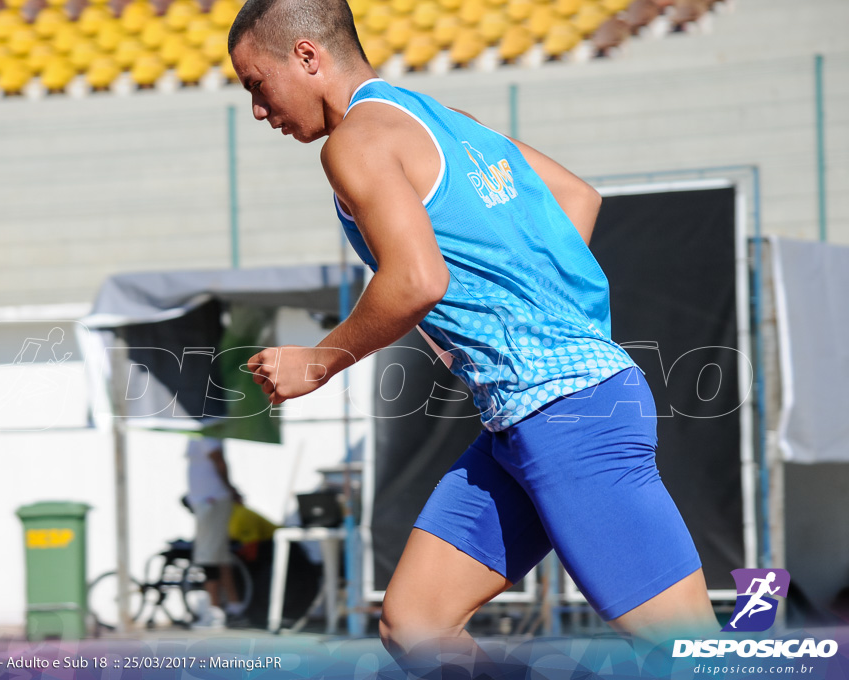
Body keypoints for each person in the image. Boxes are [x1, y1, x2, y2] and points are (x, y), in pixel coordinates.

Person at [227, 0, 718, 664]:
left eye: (257, 84)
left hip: (566, 413)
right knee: (415, 624)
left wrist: (318, 362)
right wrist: (523, 315)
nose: (258, 109)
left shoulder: (356, 143)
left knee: (688, 654)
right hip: (529, 418)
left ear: (307, 56)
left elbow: (415, 280)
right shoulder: (447, 122)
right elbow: (577, 197)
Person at [185, 436, 246, 626]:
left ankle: (214, 612)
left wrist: (230, 489)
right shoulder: (200, 428)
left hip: (211, 501)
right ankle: (234, 607)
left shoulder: (207, 428)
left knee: (208, 558)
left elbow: (218, 459)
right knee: (220, 557)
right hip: (208, 501)